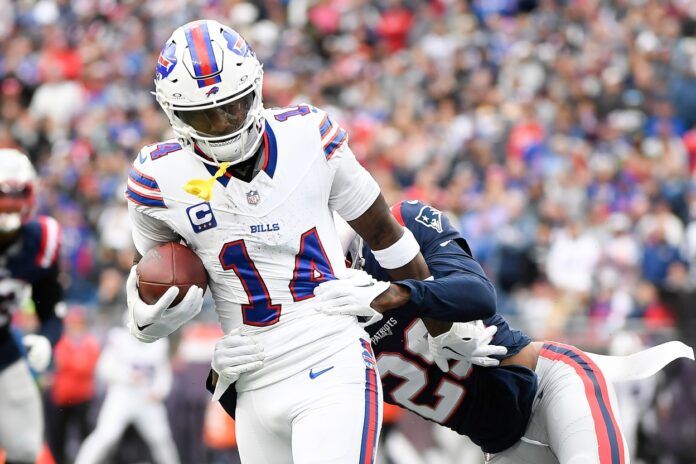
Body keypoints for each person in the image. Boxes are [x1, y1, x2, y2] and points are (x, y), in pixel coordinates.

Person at [125, 19, 430, 464]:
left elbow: (386, 234)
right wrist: (145, 322)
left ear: (255, 87)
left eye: (231, 106)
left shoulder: (308, 135)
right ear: (173, 114)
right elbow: (153, 278)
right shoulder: (158, 177)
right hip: (250, 375)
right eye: (202, 115)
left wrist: (441, 316)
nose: (221, 123)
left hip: (329, 353)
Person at [211, 200, 694, 463]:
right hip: (501, 446)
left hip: (551, 385)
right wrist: (224, 378)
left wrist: (398, 295)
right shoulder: (307, 321)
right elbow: (266, 410)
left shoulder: (399, 231)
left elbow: (477, 294)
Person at [0, 148, 64, 464]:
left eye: (16, 194)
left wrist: (46, 340)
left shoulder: (40, 239)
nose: (9, 204)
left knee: (26, 448)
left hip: (3, 349)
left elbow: (50, 309)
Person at [74, 323, 179, 464]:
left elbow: (163, 373)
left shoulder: (159, 343)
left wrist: (159, 391)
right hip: (122, 395)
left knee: (161, 438)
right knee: (106, 436)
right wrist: (128, 375)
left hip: (147, 397)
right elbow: (104, 368)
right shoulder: (119, 339)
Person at [49, 306, 101, 464]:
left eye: (78, 322)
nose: (75, 326)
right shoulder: (61, 341)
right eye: (72, 322)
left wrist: (70, 363)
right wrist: (76, 362)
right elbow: (57, 362)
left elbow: (88, 365)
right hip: (62, 397)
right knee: (58, 437)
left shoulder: (90, 342)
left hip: (82, 397)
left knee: (85, 434)